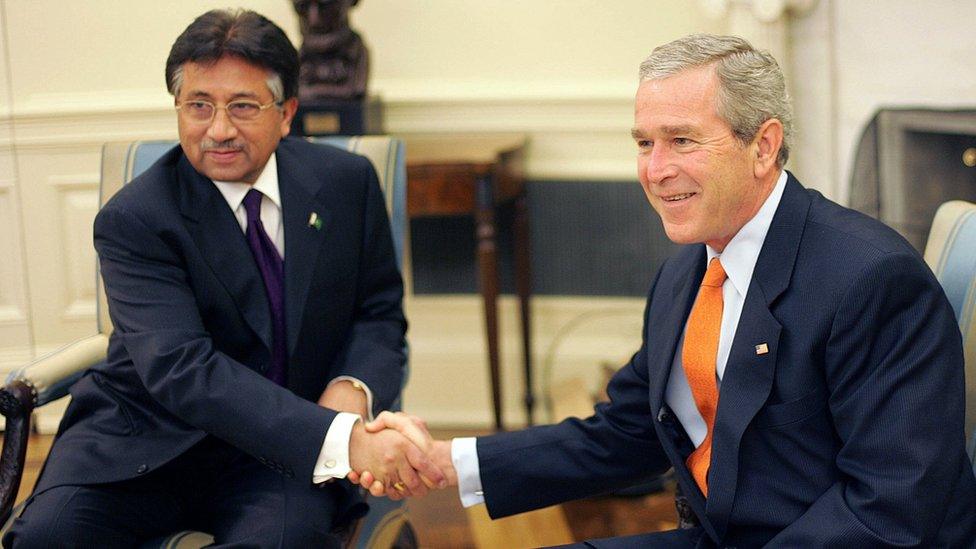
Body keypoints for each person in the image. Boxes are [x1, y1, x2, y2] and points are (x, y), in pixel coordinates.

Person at [359, 34, 976, 547]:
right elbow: (626, 433)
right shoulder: (689, 269)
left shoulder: (871, 280)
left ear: (762, 145)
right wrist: (446, 464)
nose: (655, 170)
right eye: (644, 144)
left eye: (682, 140)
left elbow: (889, 511)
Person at [5, 9, 441, 548]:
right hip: (145, 442)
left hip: (282, 451)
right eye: (198, 106)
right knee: (46, 538)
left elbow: (377, 313)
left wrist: (352, 387)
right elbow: (183, 369)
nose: (219, 129)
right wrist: (341, 439)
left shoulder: (346, 183)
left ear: (286, 114)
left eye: (242, 106)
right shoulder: (136, 218)